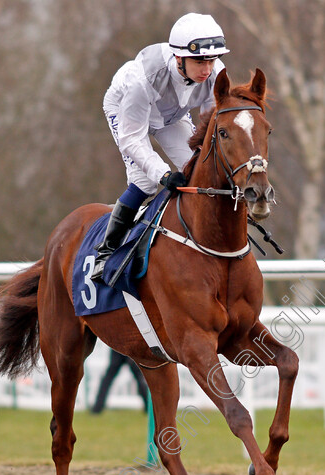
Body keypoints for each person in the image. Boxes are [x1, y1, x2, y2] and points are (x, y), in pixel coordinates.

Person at [91, 12, 230, 282]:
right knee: (145, 181)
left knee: (197, 168)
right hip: (126, 110)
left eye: (211, 60)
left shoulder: (216, 74)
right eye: (199, 61)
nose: (207, 69)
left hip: (171, 116)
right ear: (179, 57)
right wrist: (163, 174)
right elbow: (132, 139)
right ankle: (106, 252)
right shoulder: (143, 80)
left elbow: (210, 123)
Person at [90, 350, 149, 414]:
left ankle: (97, 408)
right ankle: (148, 407)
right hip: (126, 349)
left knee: (108, 378)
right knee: (139, 377)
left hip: (120, 348)